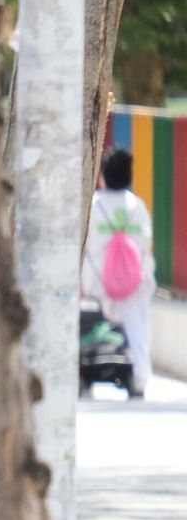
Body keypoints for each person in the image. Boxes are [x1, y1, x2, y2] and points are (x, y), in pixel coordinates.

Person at [81, 146, 154, 398]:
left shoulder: (93, 206)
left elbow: (85, 245)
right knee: (136, 328)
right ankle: (140, 377)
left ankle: (88, 367)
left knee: (89, 324)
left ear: (103, 176)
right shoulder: (138, 207)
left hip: (96, 284)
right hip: (132, 285)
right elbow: (145, 247)